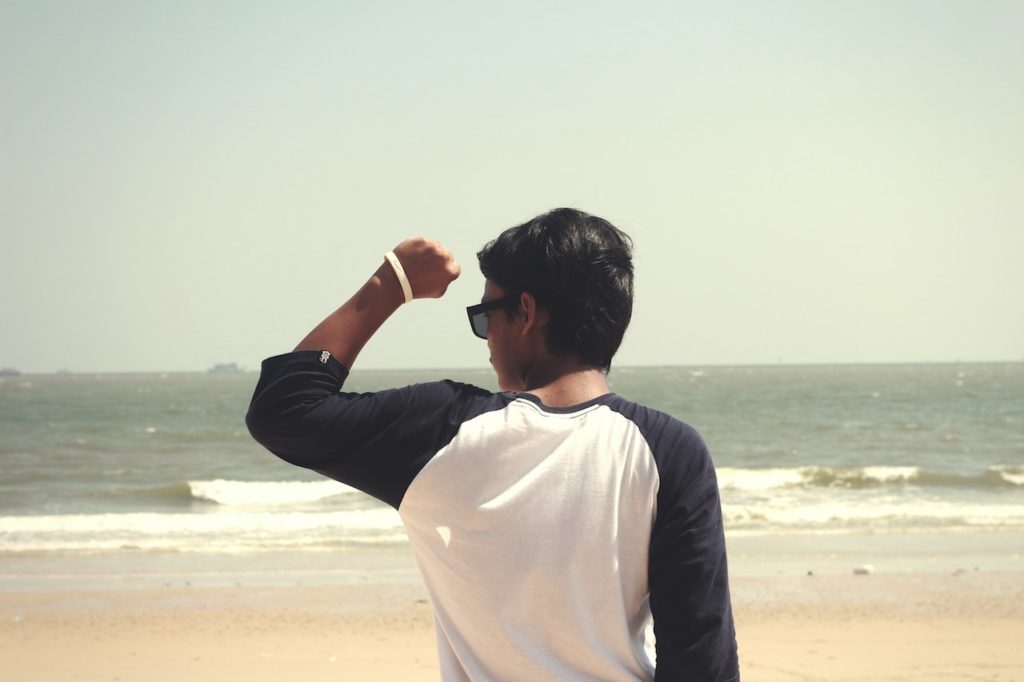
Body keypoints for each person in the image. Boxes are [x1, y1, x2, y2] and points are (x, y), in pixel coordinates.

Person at [246, 208, 739, 681]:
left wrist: (391, 284)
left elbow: (284, 408)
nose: (485, 339)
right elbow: (701, 658)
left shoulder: (443, 430)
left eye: (485, 316)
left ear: (524, 313)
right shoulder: (670, 451)